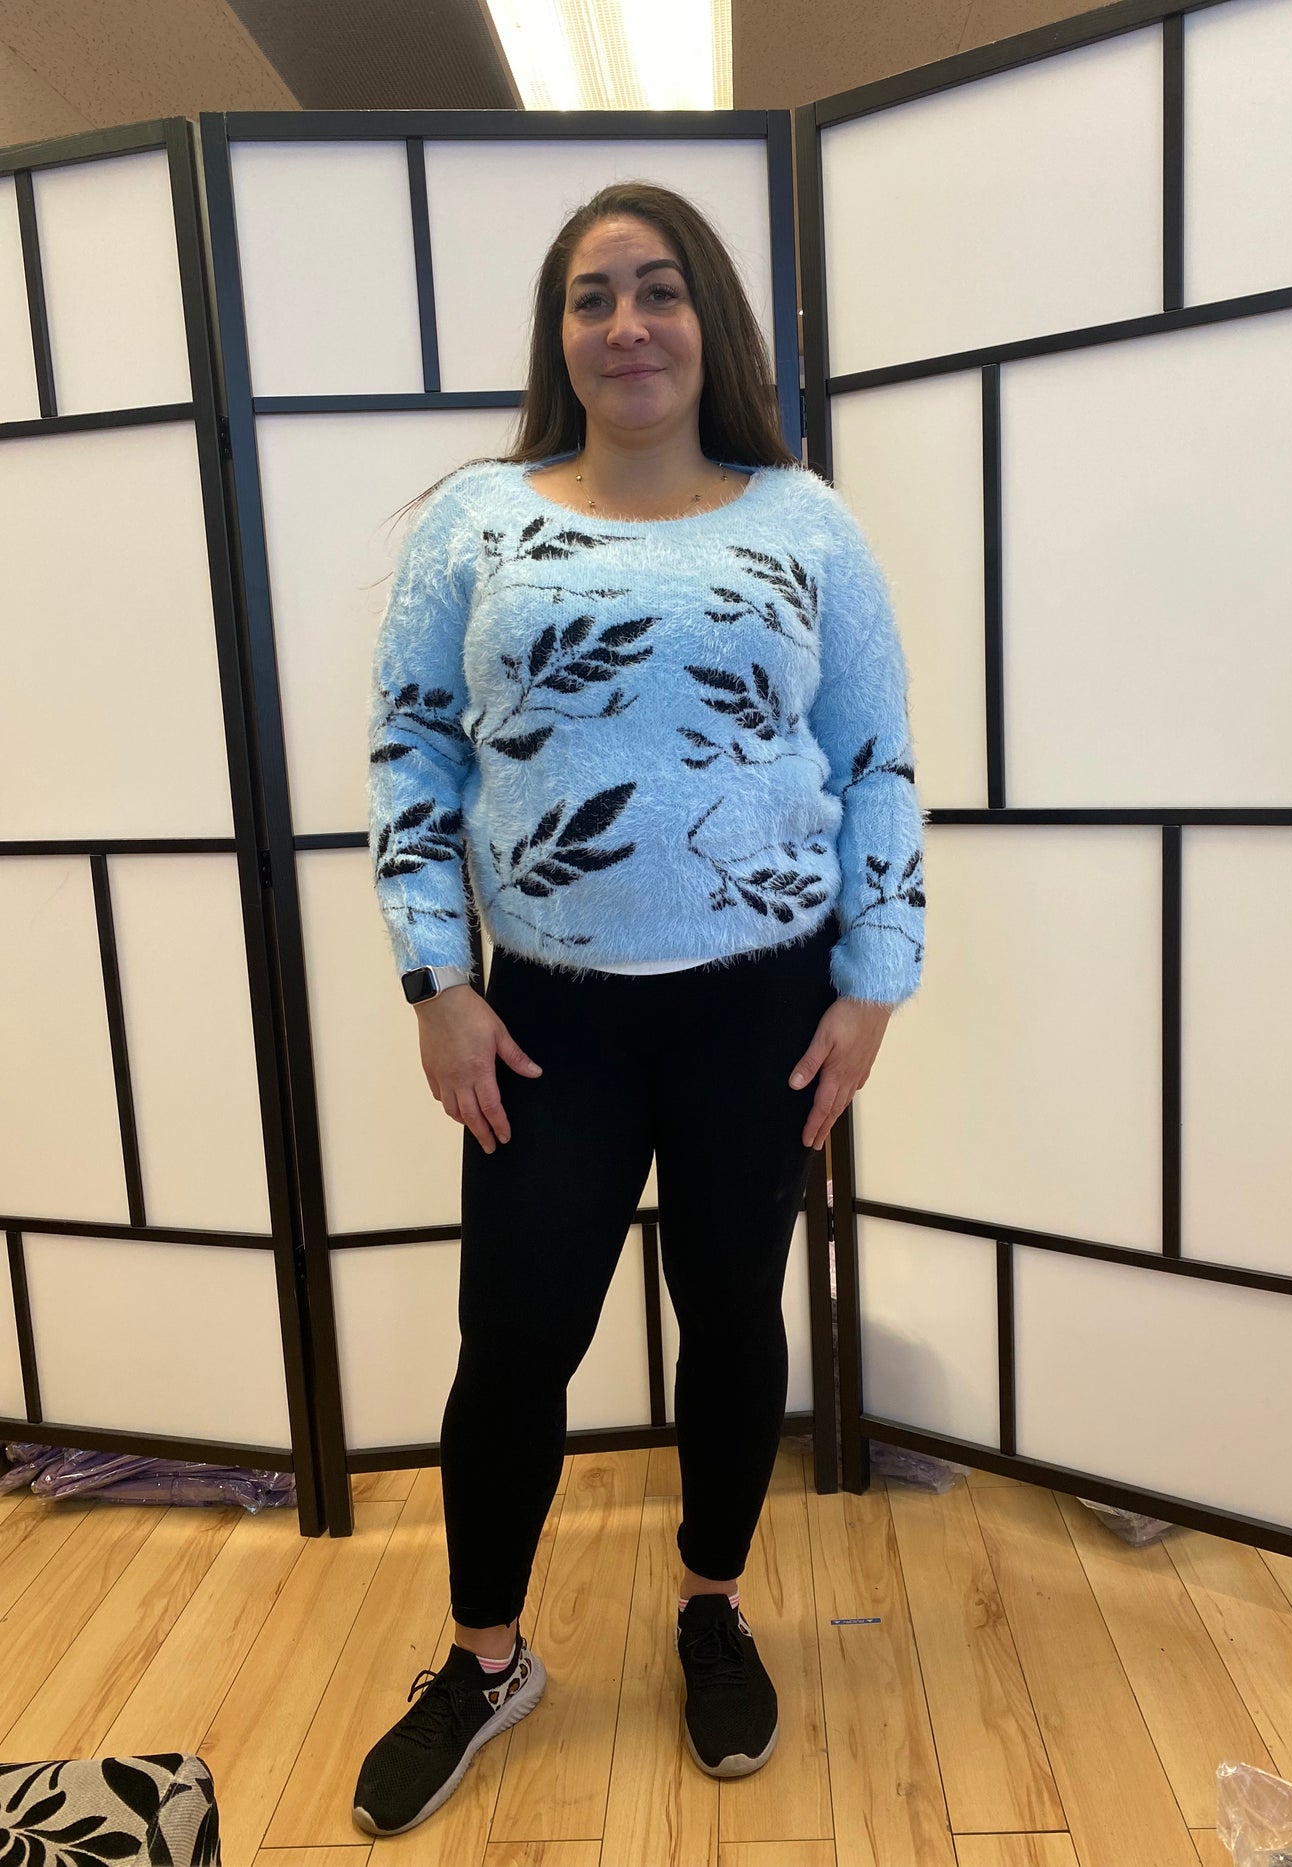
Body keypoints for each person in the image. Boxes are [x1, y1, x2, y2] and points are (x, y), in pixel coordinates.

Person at [352, 179, 925, 1837]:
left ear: (708, 322)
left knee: (733, 1318)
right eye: (591, 297)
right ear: (560, 338)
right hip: (548, 1019)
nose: (626, 325)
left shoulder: (806, 523)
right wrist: (436, 979)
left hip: (765, 1011)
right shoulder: (476, 522)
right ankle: (485, 1657)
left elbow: (875, 763)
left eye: (658, 290)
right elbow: (411, 752)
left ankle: (710, 1606)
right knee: (515, 1342)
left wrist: (875, 984)